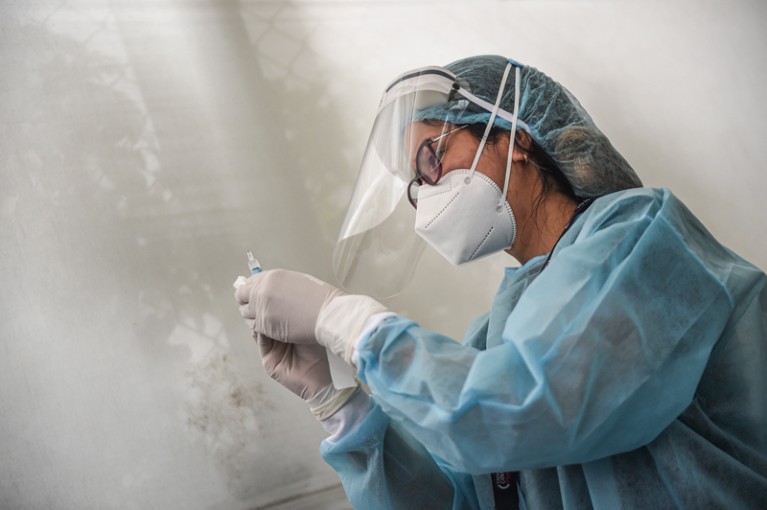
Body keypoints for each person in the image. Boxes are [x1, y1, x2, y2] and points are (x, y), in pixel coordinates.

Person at [235, 55, 767, 509]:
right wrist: (336, 403)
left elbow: (525, 407)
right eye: (416, 186)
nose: (426, 192)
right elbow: (454, 497)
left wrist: (343, 318)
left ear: (513, 136)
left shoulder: (641, 241)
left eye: (431, 157)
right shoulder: (497, 334)